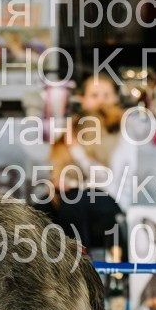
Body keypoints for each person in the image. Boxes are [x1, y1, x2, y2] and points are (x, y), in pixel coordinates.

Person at [44, 71, 139, 257]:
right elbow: (63, 168)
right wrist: (59, 183)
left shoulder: (122, 129)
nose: (101, 101)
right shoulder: (74, 127)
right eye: (95, 95)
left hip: (112, 199)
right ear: (83, 99)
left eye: (107, 95)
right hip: (82, 197)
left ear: (115, 98)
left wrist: (76, 151)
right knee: (40, 208)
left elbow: (106, 177)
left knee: (74, 201)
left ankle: (78, 270)